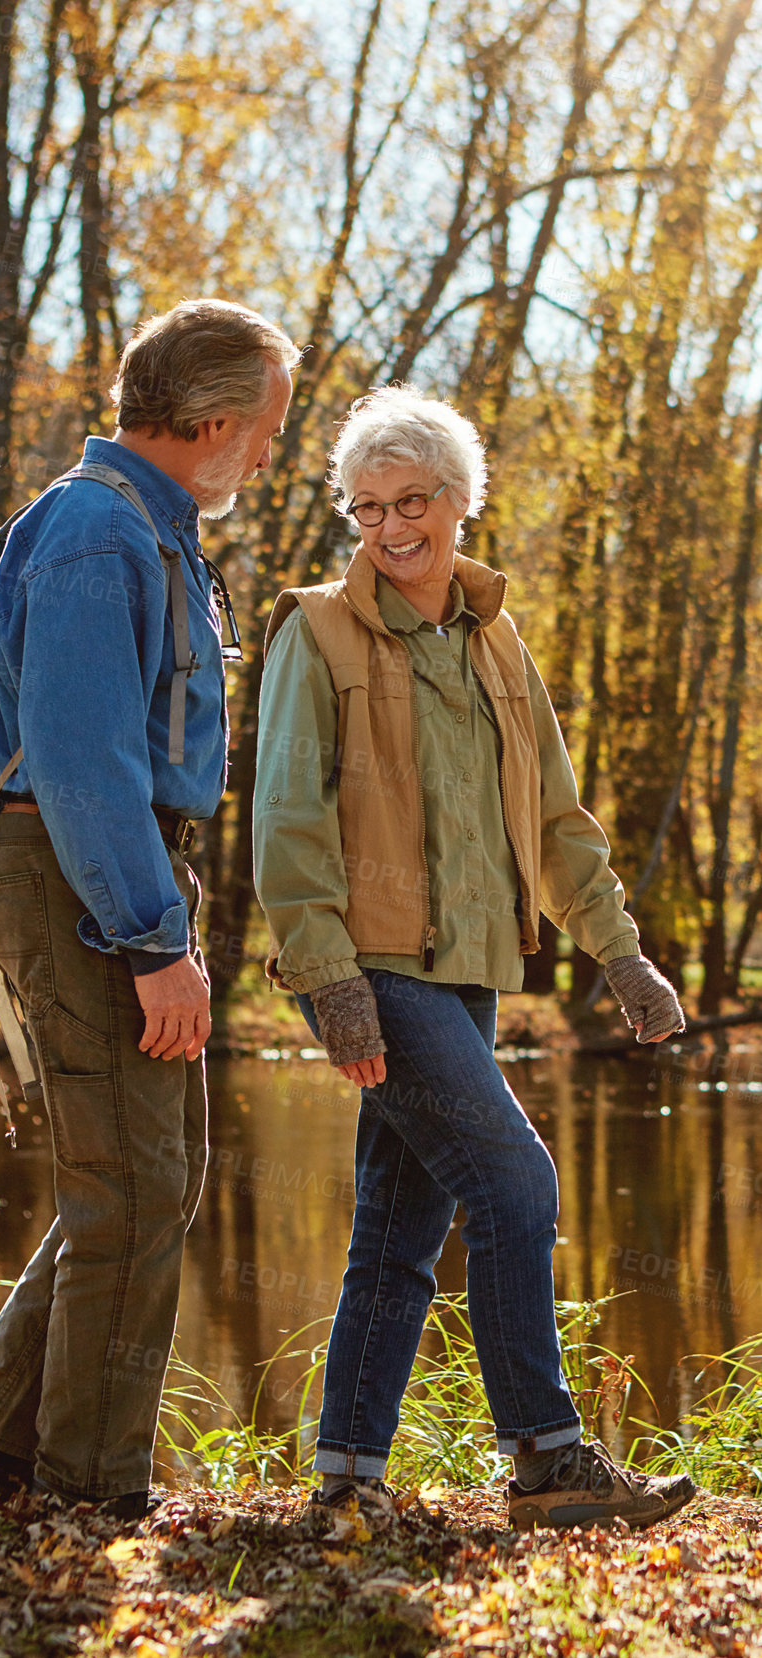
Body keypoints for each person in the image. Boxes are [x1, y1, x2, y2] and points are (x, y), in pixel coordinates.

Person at [253, 384, 695, 1534]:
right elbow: (284, 815)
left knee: (397, 1229)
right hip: (370, 967)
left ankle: (345, 1476)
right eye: (365, 508)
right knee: (513, 1183)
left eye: (411, 502)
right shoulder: (315, 629)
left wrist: (620, 955)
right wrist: (327, 975)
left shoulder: (494, 637)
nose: (390, 528)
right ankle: (546, 1455)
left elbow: (552, 817)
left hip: (468, 969)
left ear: (459, 500)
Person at [0, 299, 298, 1519]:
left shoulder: (146, 525)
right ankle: (85, 1486)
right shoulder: (95, 531)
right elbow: (80, 758)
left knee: (148, 1176)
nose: (270, 455)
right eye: (270, 429)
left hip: (109, 870)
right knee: (127, 1185)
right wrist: (149, 938)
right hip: (74, 873)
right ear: (215, 420)